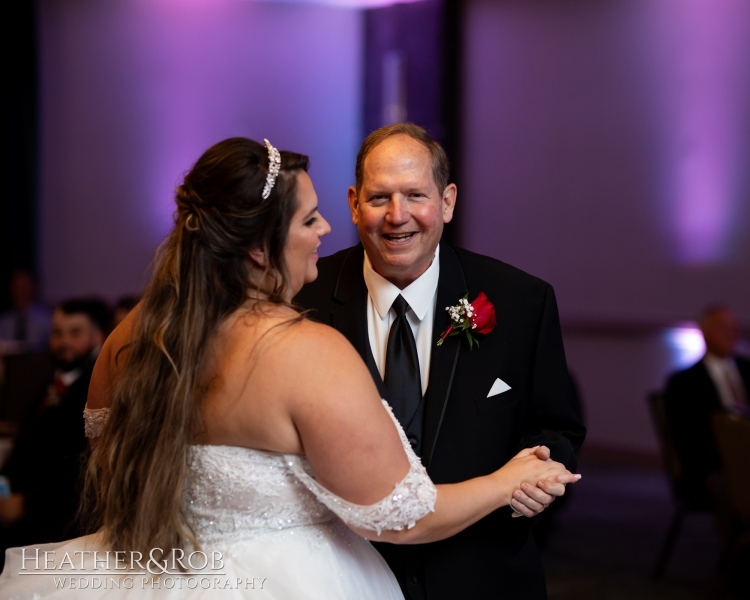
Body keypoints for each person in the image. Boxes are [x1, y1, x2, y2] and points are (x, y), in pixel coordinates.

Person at [0, 137, 577, 599]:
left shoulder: (132, 336)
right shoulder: (307, 344)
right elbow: (402, 517)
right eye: (310, 220)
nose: (325, 231)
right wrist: (506, 481)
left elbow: (109, 464)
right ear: (259, 247)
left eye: (415, 195)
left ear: (446, 201)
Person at [295, 123, 586, 599]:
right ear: (352, 204)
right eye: (379, 198)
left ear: (447, 202)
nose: (397, 216)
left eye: (415, 195)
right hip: (341, 573)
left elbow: (557, 427)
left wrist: (542, 469)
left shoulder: (521, 301)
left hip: (482, 574)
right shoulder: (300, 298)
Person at [0, 298, 109, 567]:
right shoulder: (50, 381)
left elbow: (75, 466)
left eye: (75, 333)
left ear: (98, 336)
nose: (63, 343)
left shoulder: (92, 392)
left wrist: (23, 503)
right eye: (57, 333)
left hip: (59, 521)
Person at [664, 305, 750, 501]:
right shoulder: (684, 382)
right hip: (715, 464)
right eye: (722, 327)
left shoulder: (747, 370)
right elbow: (687, 437)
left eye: (733, 327)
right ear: (704, 332)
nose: (730, 333)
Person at [0, 270, 52, 353]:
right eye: (17, 287)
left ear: (33, 288)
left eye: (25, 286)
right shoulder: (3, 322)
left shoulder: (47, 320)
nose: (21, 291)